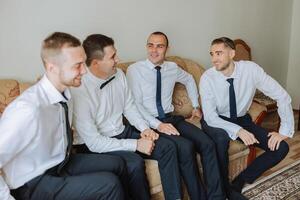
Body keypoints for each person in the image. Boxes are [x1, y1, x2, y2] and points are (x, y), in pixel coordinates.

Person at [0, 32, 127, 200]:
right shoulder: (27, 109)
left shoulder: (65, 94)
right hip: (32, 183)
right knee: (108, 184)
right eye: (77, 65)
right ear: (52, 67)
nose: (84, 71)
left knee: (117, 162)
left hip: (60, 163)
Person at [71, 34, 184, 200]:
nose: (118, 59)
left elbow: (129, 107)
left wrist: (144, 129)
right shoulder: (78, 89)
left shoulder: (118, 75)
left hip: (122, 130)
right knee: (134, 163)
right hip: (95, 145)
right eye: (113, 57)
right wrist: (136, 144)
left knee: (168, 147)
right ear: (96, 63)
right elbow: (94, 143)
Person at [127, 31, 225, 200]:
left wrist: (195, 106)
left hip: (171, 117)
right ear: (146, 47)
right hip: (148, 122)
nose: (154, 50)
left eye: (160, 46)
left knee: (208, 143)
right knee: (186, 147)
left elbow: (189, 79)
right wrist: (158, 125)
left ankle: (216, 196)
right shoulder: (134, 70)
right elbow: (135, 105)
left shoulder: (172, 68)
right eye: (150, 45)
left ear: (167, 49)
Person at [200, 37, 294, 198]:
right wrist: (238, 131)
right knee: (221, 139)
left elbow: (282, 95)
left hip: (242, 118)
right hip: (216, 120)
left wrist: (284, 130)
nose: (214, 59)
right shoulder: (208, 78)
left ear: (232, 53)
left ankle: (240, 181)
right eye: (212, 54)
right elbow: (210, 117)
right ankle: (224, 190)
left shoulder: (251, 70)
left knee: (281, 148)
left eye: (219, 53)